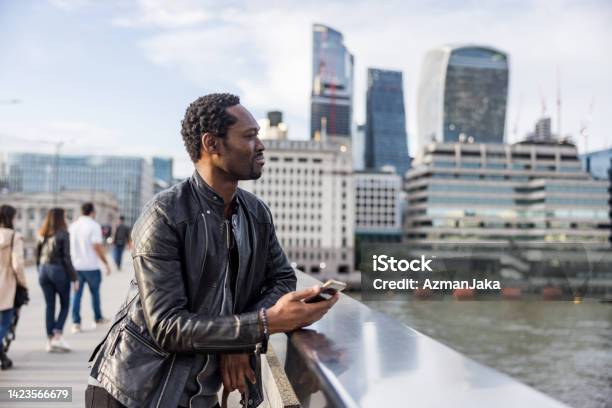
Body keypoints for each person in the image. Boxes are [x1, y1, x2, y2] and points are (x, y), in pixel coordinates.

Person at [86, 93, 338, 408]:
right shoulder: (164, 214)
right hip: (134, 393)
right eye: (249, 136)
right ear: (212, 144)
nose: (260, 146)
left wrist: (239, 340)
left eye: (258, 135)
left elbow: (283, 278)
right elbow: (168, 327)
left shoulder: (256, 213)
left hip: (198, 397)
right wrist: (262, 323)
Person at [36, 208, 77, 352]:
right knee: (65, 304)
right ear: (61, 218)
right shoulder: (64, 234)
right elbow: (67, 258)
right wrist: (74, 278)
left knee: (49, 305)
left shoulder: (42, 233)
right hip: (58, 271)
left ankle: (49, 340)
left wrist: (39, 271)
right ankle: (57, 335)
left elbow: (37, 255)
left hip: (43, 271)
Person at [69, 203, 111, 333]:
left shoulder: (73, 226)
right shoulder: (94, 226)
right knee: (95, 294)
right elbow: (96, 246)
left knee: (76, 295)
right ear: (92, 212)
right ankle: (97, 318)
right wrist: (106, 263)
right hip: (91, 266)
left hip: (75, 266)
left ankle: (76, 323)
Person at [0, 205, 27, 368]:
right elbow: (18, 264)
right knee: (6, 321)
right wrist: (24, 284)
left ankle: (3, 356)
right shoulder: (14, 237)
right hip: (6, 283)